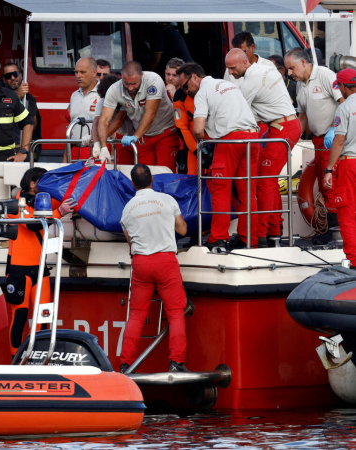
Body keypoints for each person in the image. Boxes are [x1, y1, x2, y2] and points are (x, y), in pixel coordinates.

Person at [178, 62, 259, 250]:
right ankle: (251, 239)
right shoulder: (228, 84)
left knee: (219, 189)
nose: (186, 91)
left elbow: (197, 129)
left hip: (229, 140)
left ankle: (218, 238)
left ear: (195, 78)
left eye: (185, 86)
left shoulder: (202, 93)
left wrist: (204, 144)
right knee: (248, 193)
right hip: (251, 138)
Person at [225, 49, 301, 248]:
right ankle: (273, 230)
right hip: (283, 126)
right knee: (269, 181)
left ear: (244, 62)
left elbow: (236, 109)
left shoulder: (251, 81)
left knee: (264, 182)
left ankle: (260, 234)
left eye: (232, 69)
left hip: (282, 128)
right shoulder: (265, 69)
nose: (230, 73)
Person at [120, 164, 188, 373]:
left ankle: (125, 364)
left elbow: (131, 244)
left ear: (133, 184)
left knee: (136, 315)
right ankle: (176, 362)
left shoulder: (127, 210)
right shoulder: (167, 200)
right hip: (165, 262)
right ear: (152, 180)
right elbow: (182, 229)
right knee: (176, 314)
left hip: (141, 263)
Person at [6, 167, 74, 357]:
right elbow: (31, 223)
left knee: (43, 318)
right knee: (19, 317)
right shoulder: (15, 205)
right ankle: (15, 358)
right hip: (19, 271)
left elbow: (65, 195)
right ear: (33, 183)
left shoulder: (43, 200)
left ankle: (37, 355)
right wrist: (58, 212)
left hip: (40, 270)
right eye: (44, 181)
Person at [285, 48, 344, 245]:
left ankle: (336, 234)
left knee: (330, 186)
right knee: (323, 183)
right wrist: (291, 143)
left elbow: (344, 103)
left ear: (303, 63)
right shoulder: (300, 86)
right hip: (317, 141)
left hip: (333, 139)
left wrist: (335, 129)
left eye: (291, 68)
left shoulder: (326, 76)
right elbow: (302, 117)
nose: (289, 73)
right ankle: (331, 231)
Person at [99, 61, 179, 172]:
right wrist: (103, 146)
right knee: (144, 174)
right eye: (127, 83)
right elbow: (104, 119)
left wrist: (135, 136)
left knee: (165, 172)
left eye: (134, 83)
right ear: (121, 78)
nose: (131, 88)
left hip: (164, 131)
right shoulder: (114, 89)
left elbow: (150, 113)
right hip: (143, 136)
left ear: (142, 75)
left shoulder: (153, 80)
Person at [324, 69, 356, 267]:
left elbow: (339, 140)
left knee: (347, 213)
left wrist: (329, 169)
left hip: (350, 163)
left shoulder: (344, 109)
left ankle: (354, 260)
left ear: (343, 87)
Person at [82, 74, 134, 164]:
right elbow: (96, 123)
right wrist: (96, 143)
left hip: (136, 136)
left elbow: (118, 121)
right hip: (122, 137)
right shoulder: (102, 100)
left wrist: (96, 138)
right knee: (124, 167)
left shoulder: (125, 98)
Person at [2, 62, 42, 161]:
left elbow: (33, 123)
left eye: (15, 74)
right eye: (8, 76)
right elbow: (4, 119)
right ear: (4, 80)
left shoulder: (29, 99)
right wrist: (18, 97)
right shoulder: (0, 97)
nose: (12, 78)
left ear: (20, 75)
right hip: (7, 149)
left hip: (25, 148)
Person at [66, 57, 100, 162]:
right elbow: (70, 130)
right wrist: (65, 158)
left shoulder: (104, 94)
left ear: (94, 72)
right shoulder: (74, 95)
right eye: (76, 72)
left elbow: (112, 127)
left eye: (82, 72)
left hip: (96, 149)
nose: (78, 76)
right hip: (75, 150)